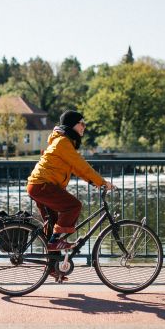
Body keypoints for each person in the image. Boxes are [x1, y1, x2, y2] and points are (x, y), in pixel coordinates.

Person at [27, 110, 117, 280]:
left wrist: (94, 183)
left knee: (52, 226)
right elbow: (82, 165)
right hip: (42, 186)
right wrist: (103, 183)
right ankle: (55, 242)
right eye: (81, 123)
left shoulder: (64, 142)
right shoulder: (62, 142)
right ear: (71, 125)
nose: (84, 126)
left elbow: (77, 169)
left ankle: (53, 268)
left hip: (41, 186)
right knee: (73, 206)